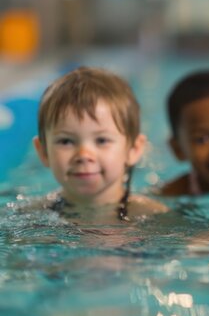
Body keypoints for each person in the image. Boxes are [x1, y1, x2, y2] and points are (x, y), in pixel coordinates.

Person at [32, 66, 167, 224]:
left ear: (133, 149)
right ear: (43, 152)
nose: (83, 155)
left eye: (101, 140)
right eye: (66, 141)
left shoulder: (154, 216)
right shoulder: (33, 218)